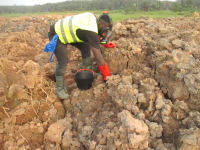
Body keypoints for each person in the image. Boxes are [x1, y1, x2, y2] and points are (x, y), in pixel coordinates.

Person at [44, 11, 114, 99]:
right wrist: (106, 75)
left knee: (85, 46)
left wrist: (105, 43)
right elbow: (98, 57)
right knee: (63, 61)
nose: (105, 33)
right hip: (56, 33)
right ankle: (60, 89)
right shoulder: (91, 31)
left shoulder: (93, 19)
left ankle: (87, 72)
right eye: (105, 30)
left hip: (69, 32)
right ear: (100, 24)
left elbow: (93, 38)